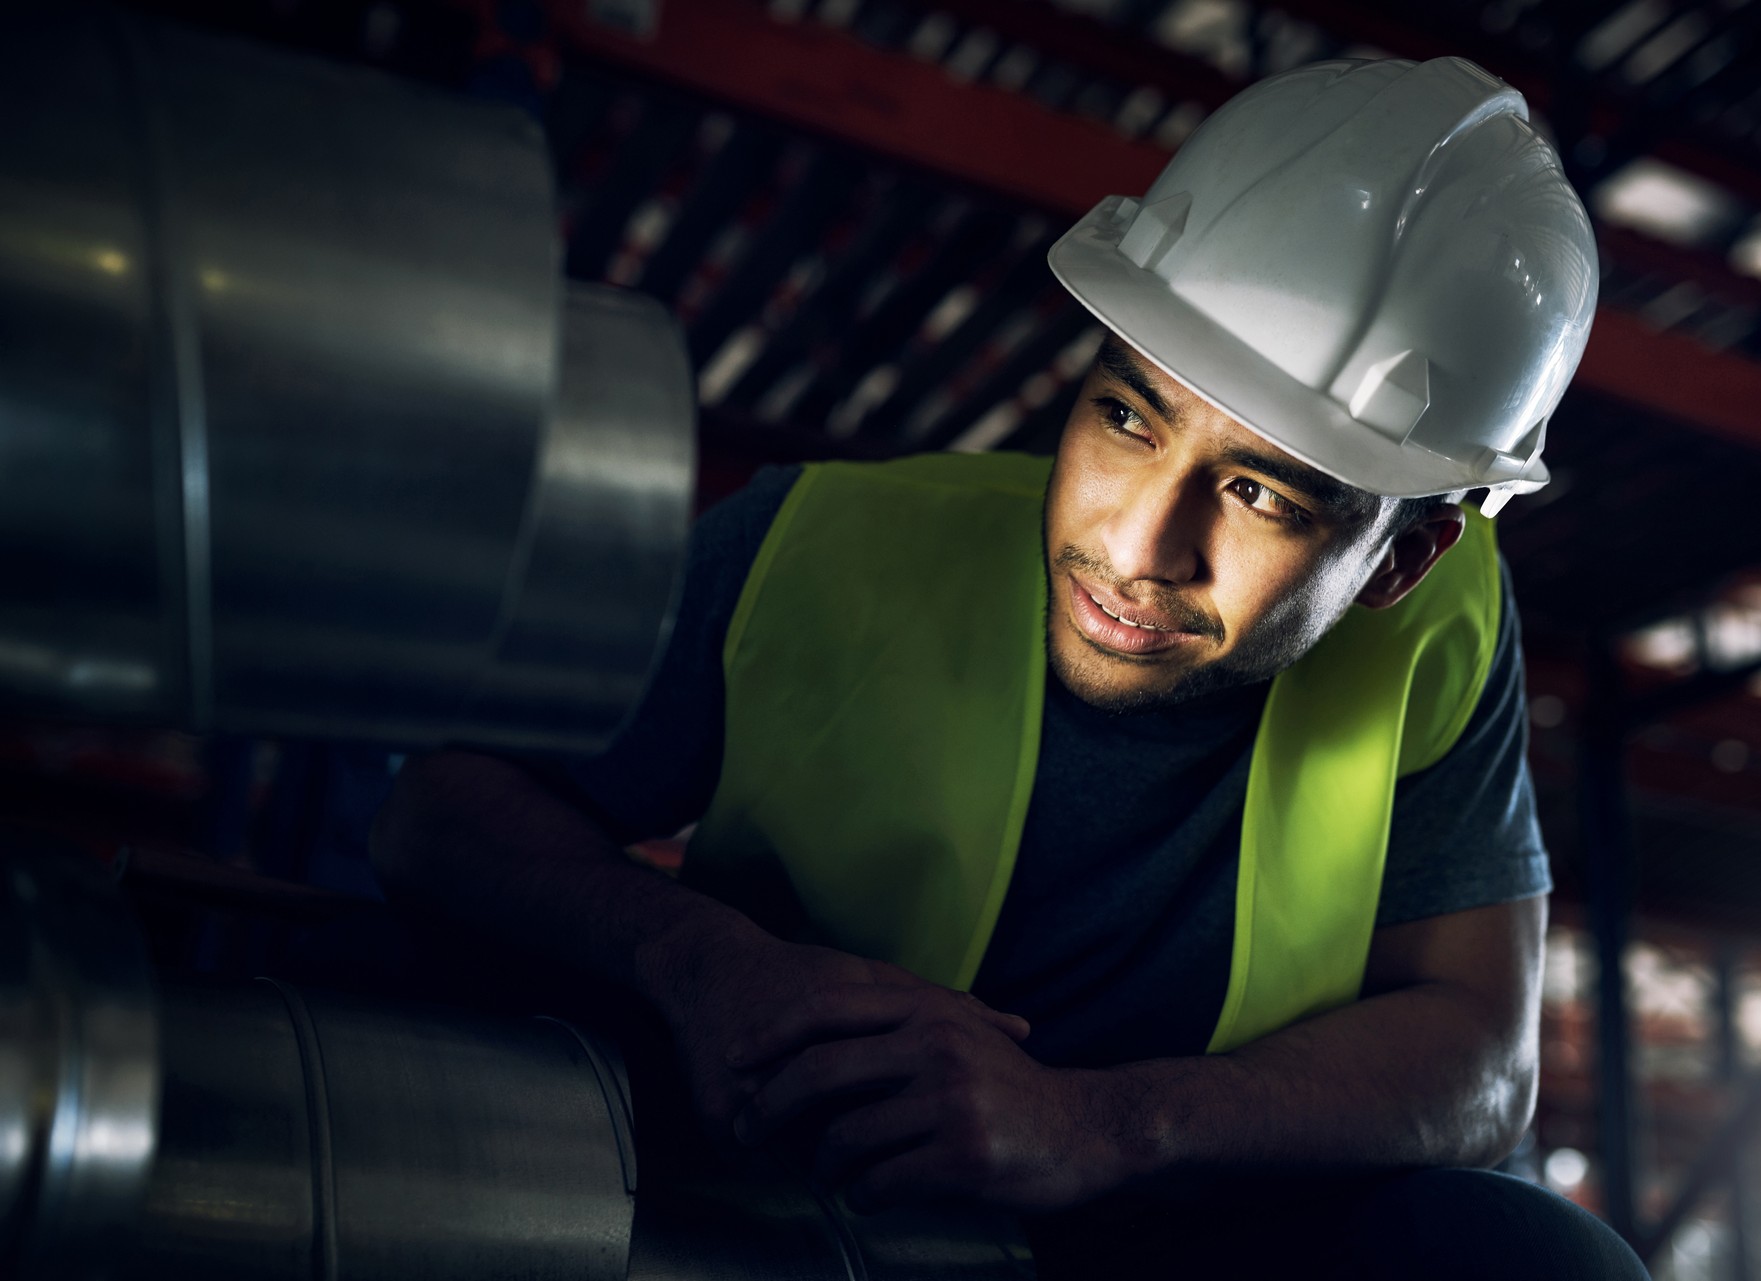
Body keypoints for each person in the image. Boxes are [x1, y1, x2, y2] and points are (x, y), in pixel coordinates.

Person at [373, 55, 1648, 1278]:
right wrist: (695, 959)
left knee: (1530, 1257)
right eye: (1127, 417)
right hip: (786, 1200)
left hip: (1170, 1223)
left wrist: (1097, 1129)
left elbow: (1480, 1058)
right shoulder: (818, 544)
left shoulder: (1443, 621)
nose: (1136, 547)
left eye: (1261, 494)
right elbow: (440, 814)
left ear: (1400, 558)